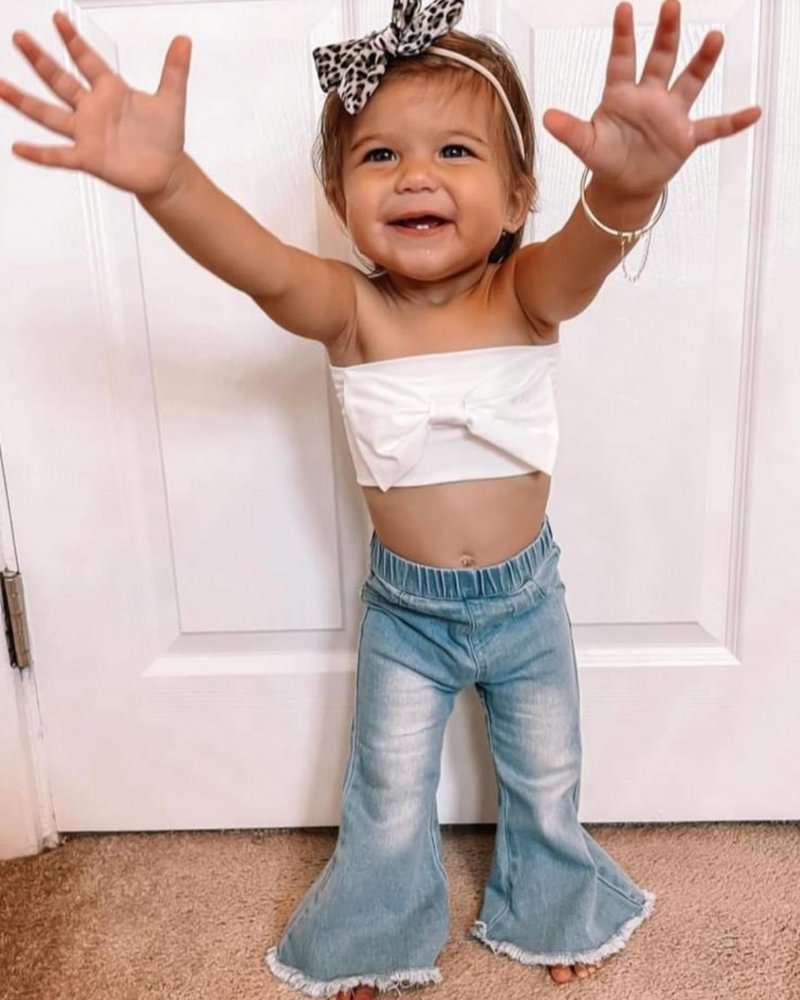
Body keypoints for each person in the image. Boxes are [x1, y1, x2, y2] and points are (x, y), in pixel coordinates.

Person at [0, 1, 761, 997]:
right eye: (376, 157)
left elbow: (587, 258)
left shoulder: (526, 292)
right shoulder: (348, 311)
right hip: (407, 616)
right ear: (336, 191)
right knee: (388, 790)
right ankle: (373, 934)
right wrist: (170, 183)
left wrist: (619, 191)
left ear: (517, 192)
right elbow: (257, 268)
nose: (413, 175)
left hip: (527, 605)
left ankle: (552, 907)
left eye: (453, 149)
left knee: (546, 776)